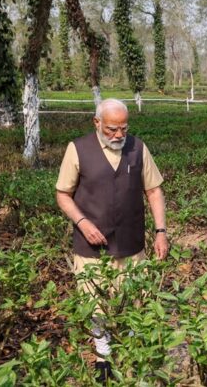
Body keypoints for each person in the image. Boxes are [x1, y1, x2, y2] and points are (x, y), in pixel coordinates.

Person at [55, 98, 169, 382]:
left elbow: (153, 191)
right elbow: (62, 194)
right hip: (91, 248)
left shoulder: (138, 148)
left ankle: (129, 347)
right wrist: (82, 222)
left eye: (123, 128)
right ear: (97, 123)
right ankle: (103, 354)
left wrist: (161, 231)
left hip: (131, 243)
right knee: (95, 304)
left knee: (134, 299)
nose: (119, 135)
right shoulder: (77, 149)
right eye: (111, 129)